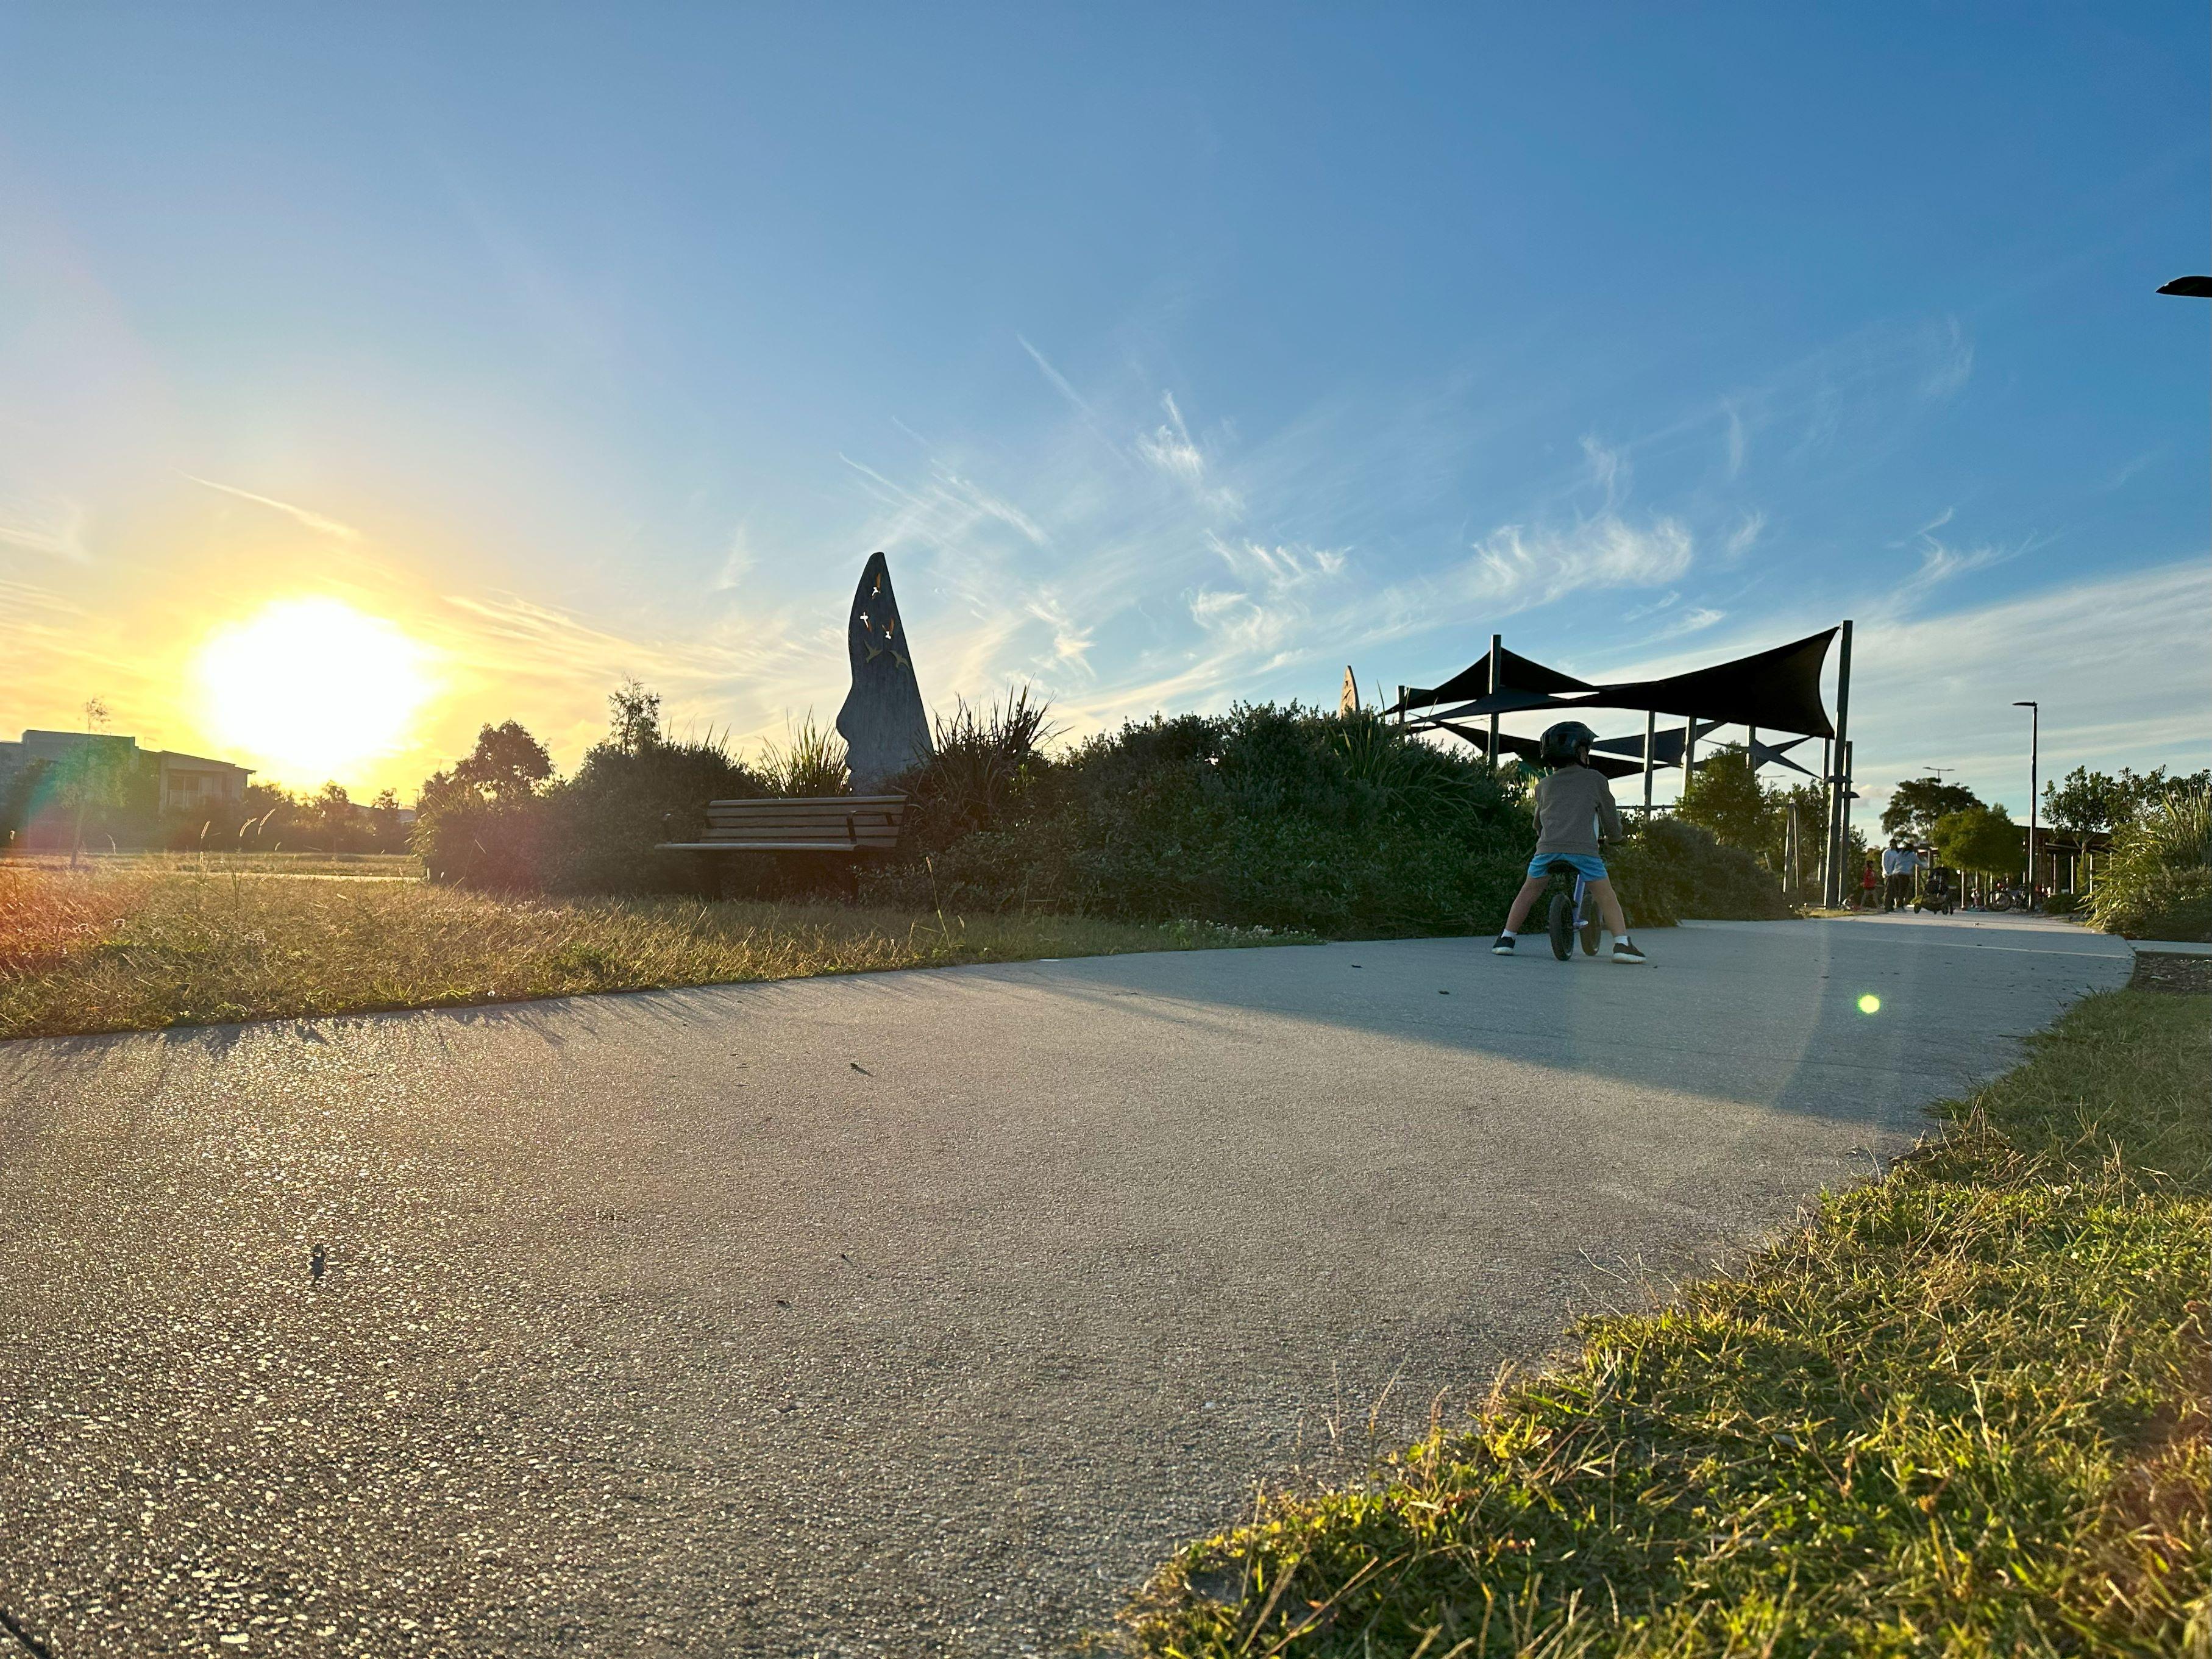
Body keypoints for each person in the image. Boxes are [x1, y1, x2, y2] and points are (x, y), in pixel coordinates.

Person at [1494, 721, 1648, 965]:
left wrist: (1545, 838)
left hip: (1546, 851)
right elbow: (1609, 816)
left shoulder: (1544, 785)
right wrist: (1615, 838)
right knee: (1606, 895)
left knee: (1528, 891)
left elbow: (1538, 823)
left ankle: (1506, 939)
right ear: (1581, 752)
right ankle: (1622, 945)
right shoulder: (1595, 780)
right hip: (1584, 851)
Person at [1880, 838, 1914, 912]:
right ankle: (1887, 906)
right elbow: (1884, 863)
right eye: (1891, 844)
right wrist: (1887, 872)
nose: (1892, 846)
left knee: (1894, 891)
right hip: (1888, 874)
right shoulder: (1887, 852)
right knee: (1888, 891)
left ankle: (1892, 906)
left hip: (1895, 874)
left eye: (1893, 844)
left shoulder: (1896, 853)